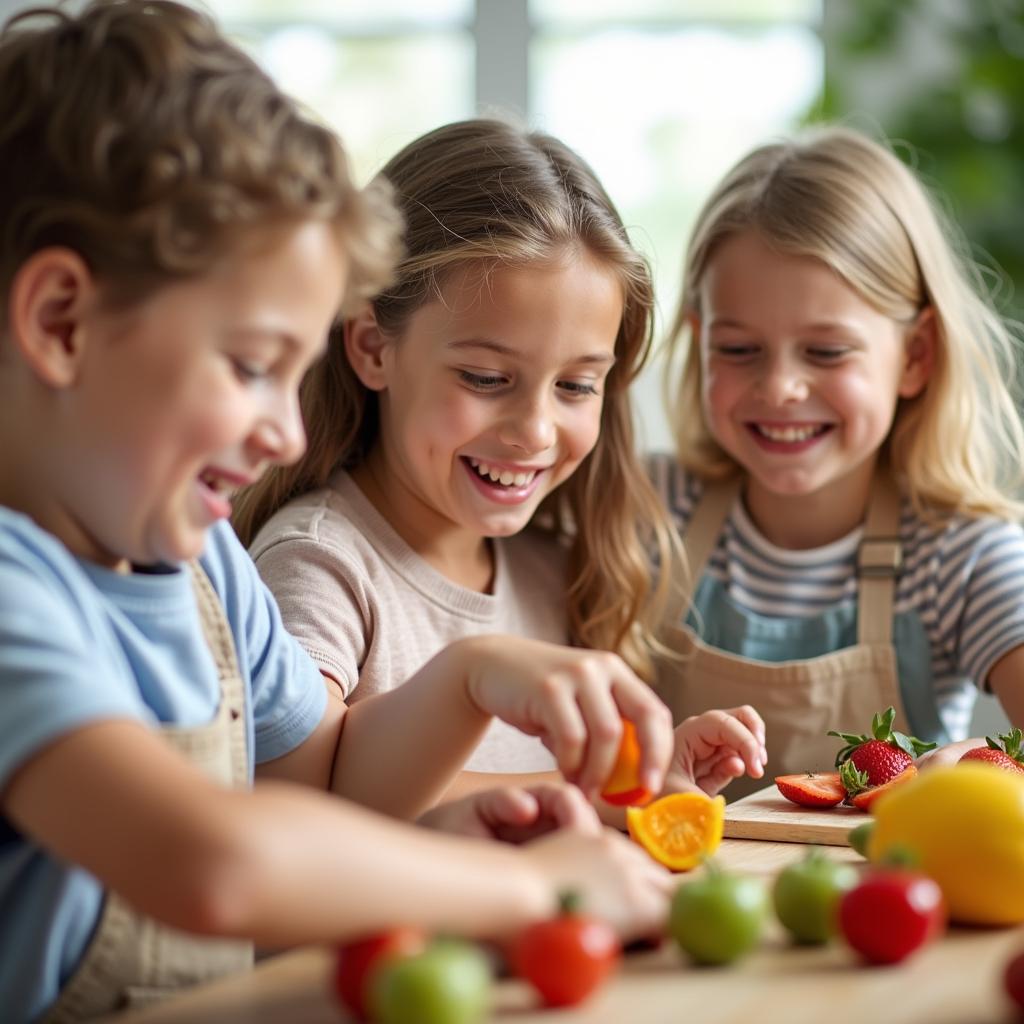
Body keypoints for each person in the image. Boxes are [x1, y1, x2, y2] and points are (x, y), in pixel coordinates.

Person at [0, 4, 754, 1019]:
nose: (283, 431)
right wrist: (534, 888)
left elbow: (316, 803)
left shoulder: (205, 570)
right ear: (61, 321)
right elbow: (218, 862)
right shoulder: (13, 593)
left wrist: (455, 825)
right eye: (250, 366)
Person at [231, 118, 768, 810]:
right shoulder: (319, 562)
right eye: (485, 378)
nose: (535, 430)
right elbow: (313, 804)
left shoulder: (555, 568)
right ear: (371, 347)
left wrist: (636, 780)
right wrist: (477, 680)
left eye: (575, 386)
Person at [649, 125, 1024, 795]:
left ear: (915, 355)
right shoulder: (651, 510)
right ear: (702, 342)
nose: (780, 387)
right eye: (739, 350)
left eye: (825, 352)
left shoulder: (963, 555)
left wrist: (975, 765)